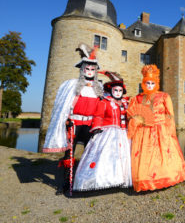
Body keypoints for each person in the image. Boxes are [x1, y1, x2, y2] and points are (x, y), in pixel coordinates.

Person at [43, 43, 103, 194]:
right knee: (69, 154)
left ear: (96, 72)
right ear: (82, 70)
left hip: (90, 125)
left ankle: (86, 181)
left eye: (92, 69)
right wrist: (66, 120)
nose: (89, 72)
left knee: (91, 153)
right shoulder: (72, 85)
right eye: (87, 69)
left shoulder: (99, 89)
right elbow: (63, 106)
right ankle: (65, 182)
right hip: (75, 123)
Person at [127, 64, 185, 192]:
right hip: (143, 133)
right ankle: (146, 181)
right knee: (145, 157)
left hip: (161, 131)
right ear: (143, 83)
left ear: (156, 83)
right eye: (147, 83)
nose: (149, 86)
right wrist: (137, 120)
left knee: (162, 156)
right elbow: (131, 114)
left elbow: (170, 115)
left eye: (152, 83)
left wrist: (170, 131)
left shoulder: (164, 96)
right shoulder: (137, 98)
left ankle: (165, 178)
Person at [73, 72, 132, 191]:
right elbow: (99, 116)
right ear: (111, 91)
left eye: (120, 91)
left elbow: (129, 117)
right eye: (116, 91)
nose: (118, 93)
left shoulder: (126, 103)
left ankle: (121, 179)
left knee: (123, 157)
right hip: (108, 133)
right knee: (107, 156)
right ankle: (103, 181)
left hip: (123, 133)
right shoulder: (105, 102)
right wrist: (96, 128)